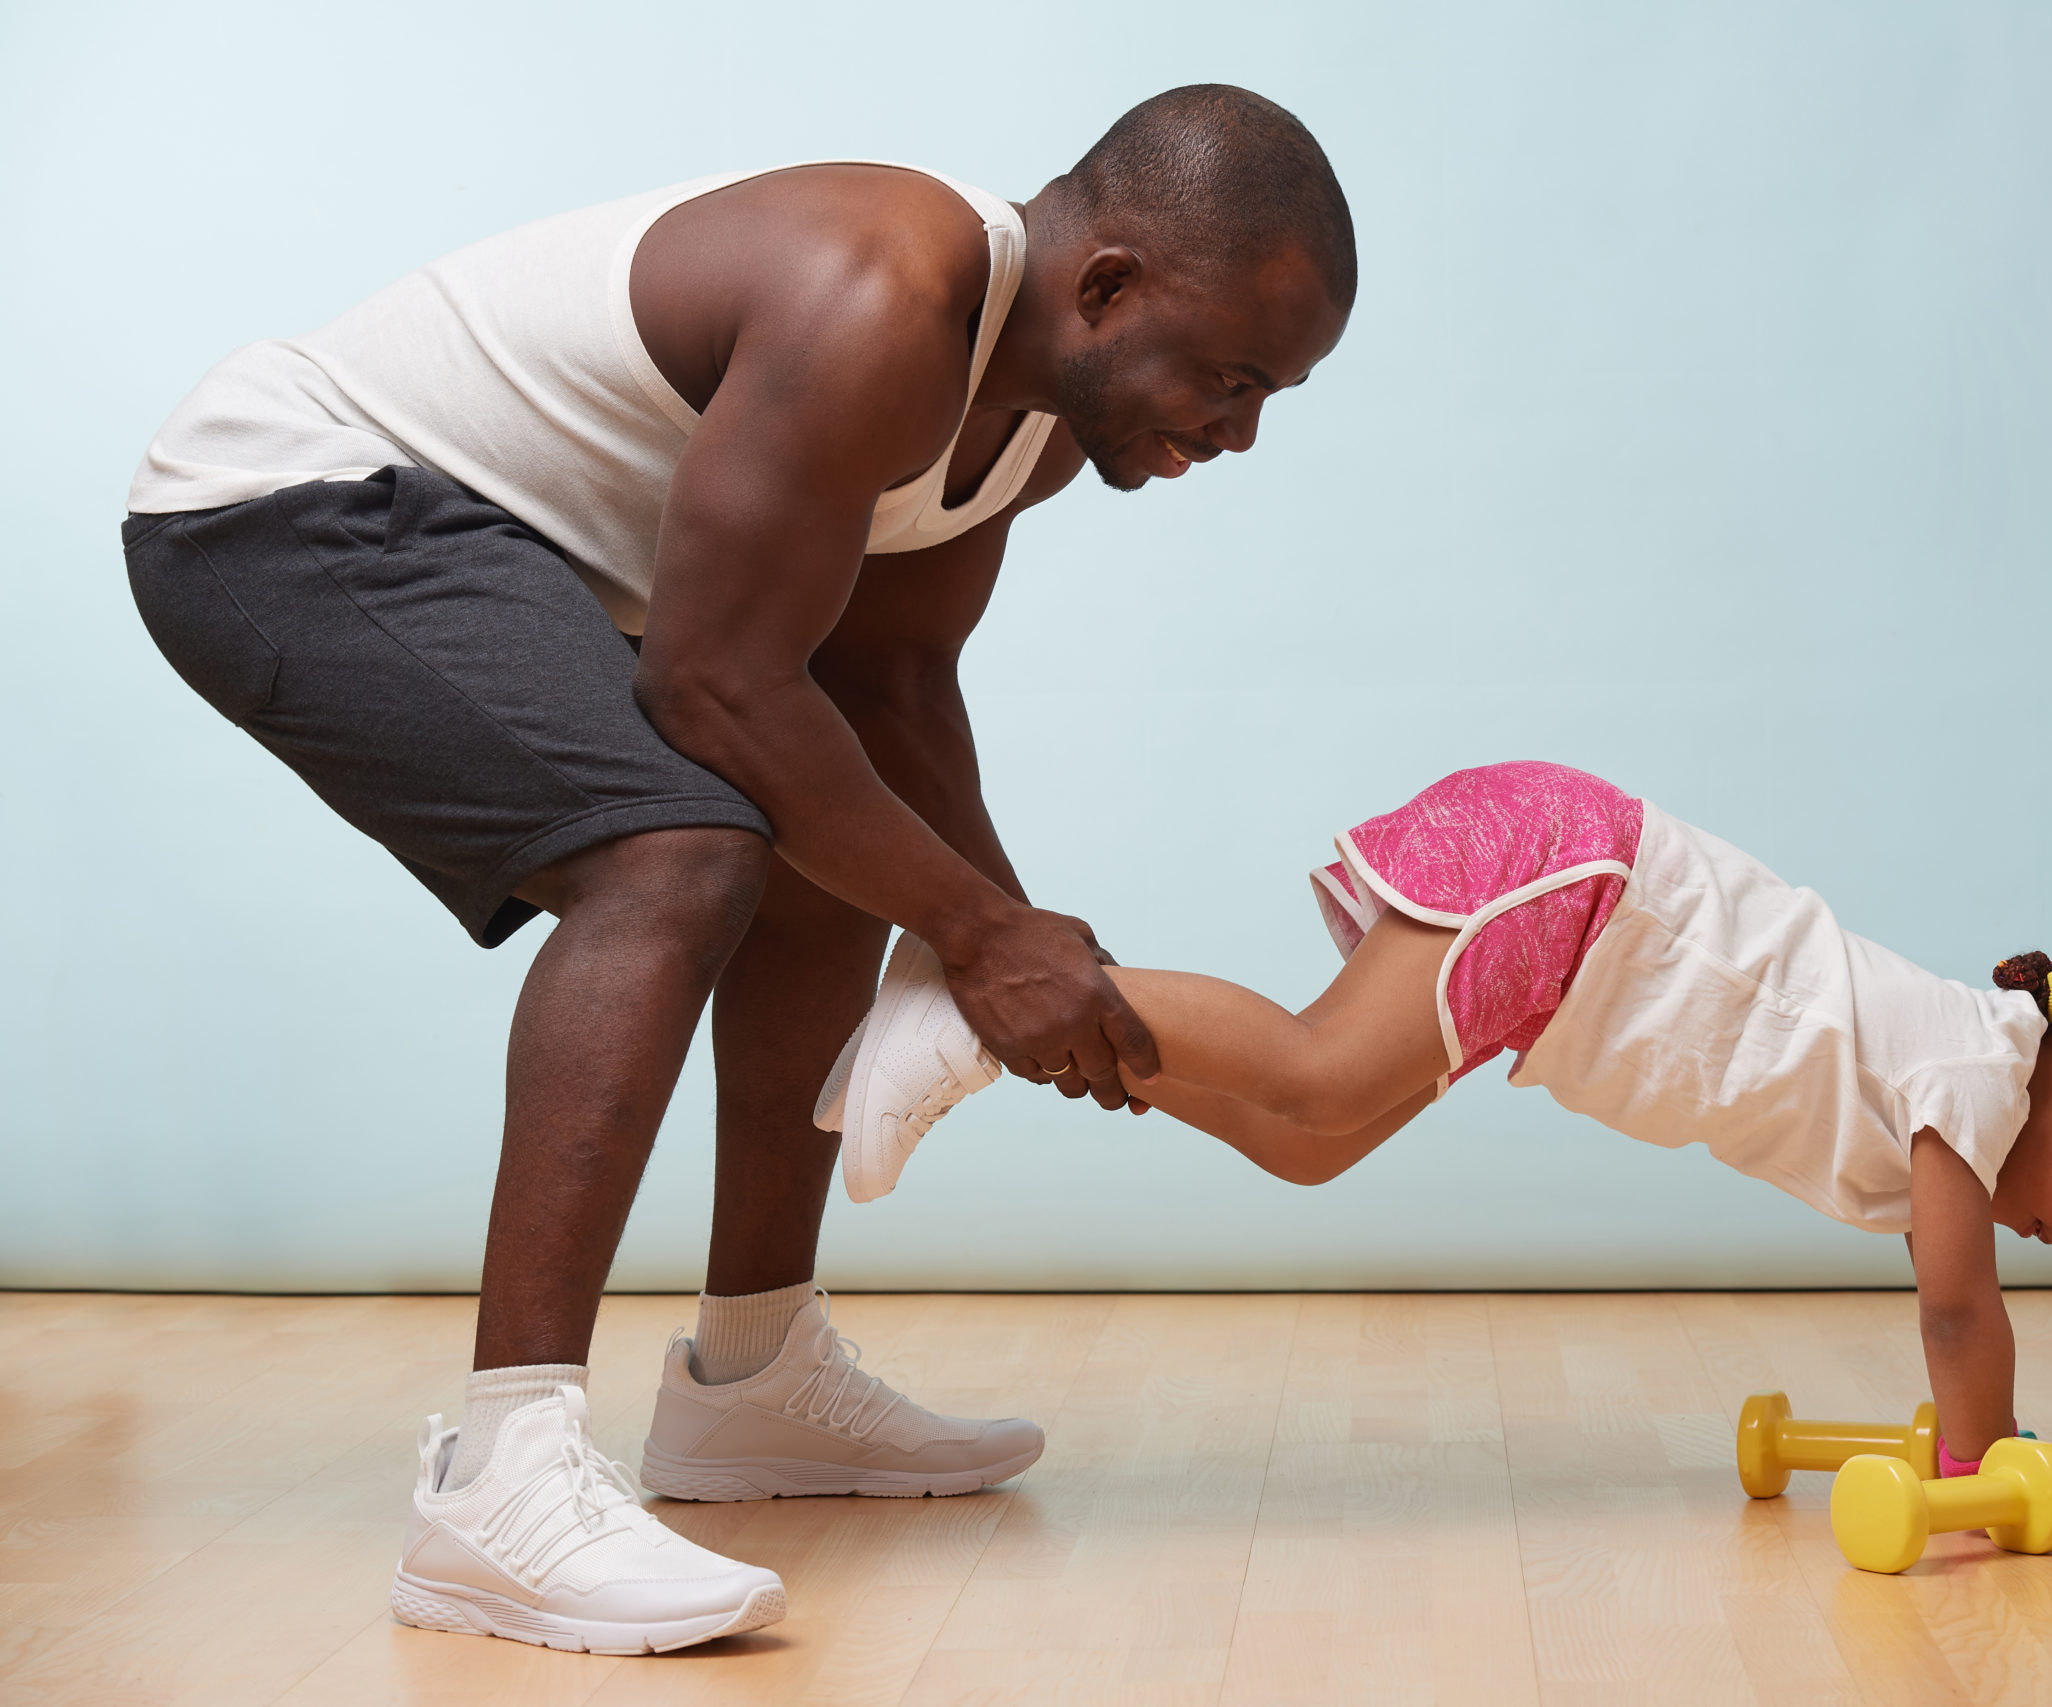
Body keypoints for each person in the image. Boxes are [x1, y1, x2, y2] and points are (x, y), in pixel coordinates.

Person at [119, 86, 1356, 1653]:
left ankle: (752, 1383)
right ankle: (494, 1485)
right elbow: (710, 688)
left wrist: (1009, 932)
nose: (1238, 431)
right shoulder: (884, 296)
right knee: (679, 852)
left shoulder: (1033, 426)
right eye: (1233, 377)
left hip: (484, 546)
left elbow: (883, 688)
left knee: (827, 848)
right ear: (1107, 286)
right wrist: (981, 933)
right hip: (285, 507)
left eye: (1274, 398)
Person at [835, 760, 2052, 1476]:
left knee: (1306, 1142)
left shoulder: (1962, 1095)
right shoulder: (1978, 1075)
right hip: (1583, 887)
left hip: (1576, 949)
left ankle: (1013, 1038)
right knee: (1322, 1073)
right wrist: (1991, 1469)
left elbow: (1959, 1293)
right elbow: (1960, 1317)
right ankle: (978, 1001)